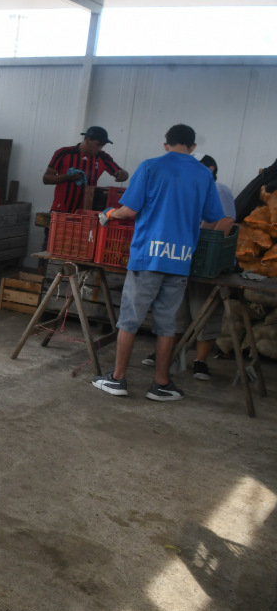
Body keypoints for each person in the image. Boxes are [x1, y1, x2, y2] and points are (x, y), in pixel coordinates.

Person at [92, 124, 226, 402]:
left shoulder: (151, 166)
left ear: (166, 144)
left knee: (130, 320)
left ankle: (117, 379)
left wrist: (110, 214)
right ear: (192, 147)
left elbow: (130, 209)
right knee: (167, 324)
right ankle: (161, 384)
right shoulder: (204, 173)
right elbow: (213, 217)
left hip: (147, 256)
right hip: (180, 260)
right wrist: (189, 233)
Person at [142, 154, 235, 380]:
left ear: (210, 169)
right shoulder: (190, 187)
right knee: (176, 312)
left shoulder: (218, 189)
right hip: (184, 259)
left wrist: (205, 249)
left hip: (206, 262)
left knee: (203, 310)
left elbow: (225, 222)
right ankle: (168, 354)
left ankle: (200, 362)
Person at [43, 126, 129, 213]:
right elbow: (46, 179)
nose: (100, 149)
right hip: (60, 210)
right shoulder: (63, 153)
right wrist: (67, 177)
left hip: (87, 212)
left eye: (102, 146)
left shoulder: (103, 157)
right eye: (98, 145)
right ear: (88, 140)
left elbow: (121, 173)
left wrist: (123, 174)